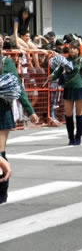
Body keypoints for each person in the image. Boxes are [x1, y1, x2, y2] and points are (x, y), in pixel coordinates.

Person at [0, 34, 39, 203]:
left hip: (1, 111)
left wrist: (30, 111)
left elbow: (17, 87)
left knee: (0, 153)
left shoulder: (6, 62)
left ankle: (2, 193)